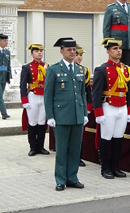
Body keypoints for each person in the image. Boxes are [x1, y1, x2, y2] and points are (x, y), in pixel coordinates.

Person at [44, 37, 88, 191]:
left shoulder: (80, 69)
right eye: (69, 50)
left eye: (74, 49)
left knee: (75, 149)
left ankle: (73, 178)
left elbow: (82, 93)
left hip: (77, 115)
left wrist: (84, 113)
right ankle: (60, 179)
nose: (72, 52)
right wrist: (50, 116)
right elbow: (48, 95)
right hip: (61, 115)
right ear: (61, 51)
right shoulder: (54, 69)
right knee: (62, 150)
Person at [92, 38, 130, 179]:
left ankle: (115, 167)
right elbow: (96, 93)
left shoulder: (126, 69)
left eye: (120, 48)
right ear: (108, 51)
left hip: (122, 107)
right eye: (115, 49)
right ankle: (105, 168)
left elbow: (129, 91)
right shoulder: (102, 69)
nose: (119, 51)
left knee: (118, 138)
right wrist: (98, 112)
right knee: (106, 138)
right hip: (108, 106)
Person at [20, 44, 49, 156]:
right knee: (32, 123)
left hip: (44, 96)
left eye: (41, 51)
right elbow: (22, 85)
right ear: (32, 54)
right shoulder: (27, 67)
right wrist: (24, 100)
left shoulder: (47, 66)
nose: (40, 53)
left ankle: (41, 146)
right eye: (37, 51)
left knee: (42, 123)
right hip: (32, 96)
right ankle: (33, 147)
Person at [74, 46, 93, 167]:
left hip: (81, 104)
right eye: (77, 54)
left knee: (81, 133)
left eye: (81, 55)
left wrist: (89, 105)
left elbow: (87, 90)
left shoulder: (85, 70)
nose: (79, 57)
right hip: (70, 104)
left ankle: (78, 157)